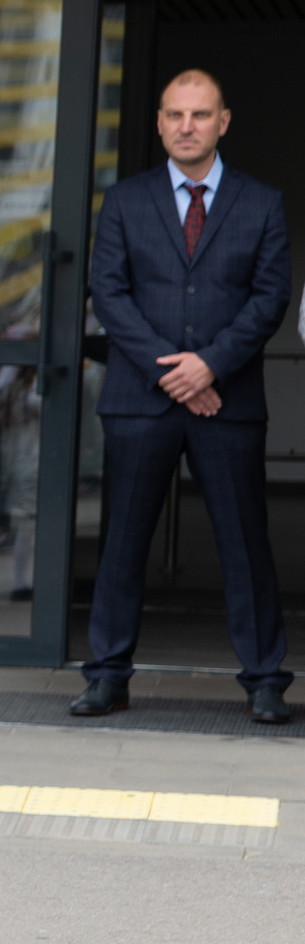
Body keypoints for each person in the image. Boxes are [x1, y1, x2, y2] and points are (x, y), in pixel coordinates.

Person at [77, 68, 293, 724]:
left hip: (228, 401)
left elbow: (270, 298)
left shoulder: (263, 202)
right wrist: (173, 372)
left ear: (223, 122)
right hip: (140, 400)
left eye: (200, 115)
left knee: (245, 545)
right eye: (175, 114)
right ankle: (107, 676)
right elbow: (109, 293)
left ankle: (264, 680)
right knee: (122, 543)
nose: (186, 126)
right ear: (160, 122)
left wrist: (211, 366)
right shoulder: (125, 200)